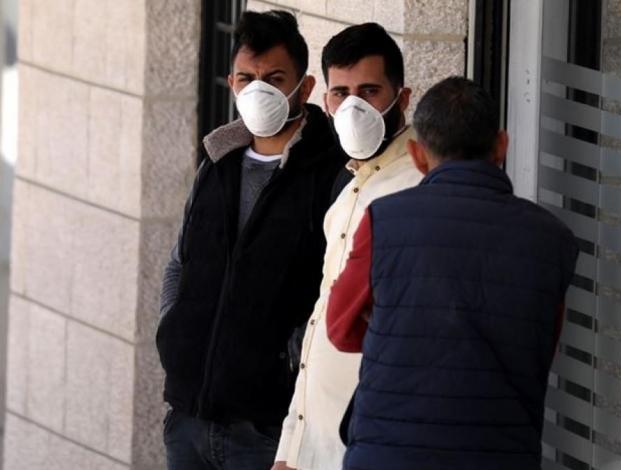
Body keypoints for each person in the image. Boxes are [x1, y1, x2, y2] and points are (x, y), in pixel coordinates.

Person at [326, 76, 580, 469]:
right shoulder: (553, 239)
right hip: (501, 455)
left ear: (417, 155)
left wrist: (399, 331)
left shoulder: (385, 221)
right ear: (501, 146)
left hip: (388, 454)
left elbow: (340, 329)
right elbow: (540, 345)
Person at [155, 10, 346, 470]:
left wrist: (290, 364)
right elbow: (180, 261)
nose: (259, 90)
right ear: (231, 84)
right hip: (189, 417)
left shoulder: (331, 174)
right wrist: (173, 331)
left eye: (275, 79)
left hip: (267, 430)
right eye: (247, 78)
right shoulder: (216, 163)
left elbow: (337, 289)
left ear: (305, 87)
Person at [273, 23, 423, 470]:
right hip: (315, 442)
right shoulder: (348, 187)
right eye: (341, 93)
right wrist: (290, 447)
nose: (353, 106)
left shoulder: (419, 188)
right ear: (326, 102)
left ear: (403, 98)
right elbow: (321, 320)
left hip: (369, 445)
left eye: (369, 91)